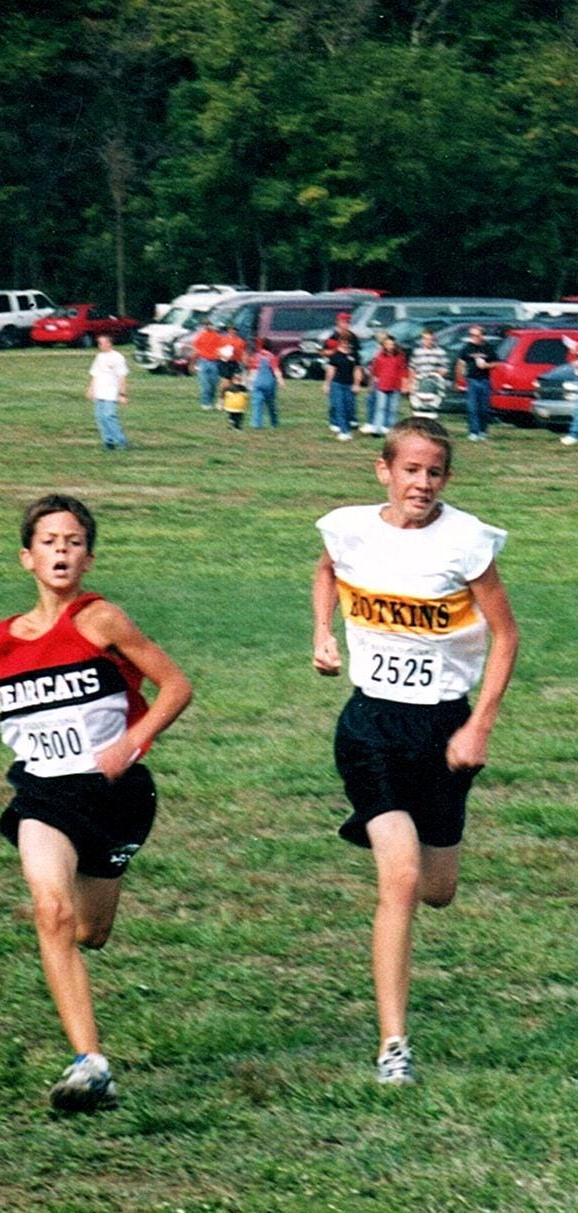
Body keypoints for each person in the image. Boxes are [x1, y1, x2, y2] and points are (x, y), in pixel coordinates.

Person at [0, 494, 192, 1111]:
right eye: (49, 541)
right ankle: (90, 1064)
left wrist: (135, 739)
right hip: (42, 792)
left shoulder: (100, 620)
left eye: (73, 542)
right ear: (27, 557)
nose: (61, 551)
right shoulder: (5, 636)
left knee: (90, 931)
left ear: (89, 557)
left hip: (114, 793)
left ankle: (83, 999)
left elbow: (176, 684)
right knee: (51, 914)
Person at [312, 417, 518, 1085]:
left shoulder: (465, 542)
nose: (420, 482)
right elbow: (325, 571)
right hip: (369, 723)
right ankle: (392, 1044)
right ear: (384, 471)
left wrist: (478, 725)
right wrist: (322, 633)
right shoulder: (348, 528)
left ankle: (392, 820)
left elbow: (506, 637)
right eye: (409, 469)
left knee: (437, 889)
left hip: (442, 730)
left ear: (446, 479)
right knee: (398, 878)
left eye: (433, 472)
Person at [455, 325, 499, 441]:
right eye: (472, 335)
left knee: (483, 408)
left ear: (482, 336)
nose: (474, 338)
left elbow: (497, 363)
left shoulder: (488, 348)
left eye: (477, 335)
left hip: (484, 381)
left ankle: (482, 431)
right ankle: (473, 432)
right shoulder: (467, 348)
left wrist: (487, 365)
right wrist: (459, 379)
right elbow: (460, 363)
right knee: (472, 408)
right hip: (472, 380)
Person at [86, 334, 129, 450]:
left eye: (103, 343)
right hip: (99, 391)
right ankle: (108, 441)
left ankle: (121, 441)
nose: (100, 345)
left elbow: (122, 376)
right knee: (100, 417)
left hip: (111, 392)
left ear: (109, 343)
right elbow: (94, 374)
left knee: (109, 415)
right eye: (99, 343)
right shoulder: (99, 357)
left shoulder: (118, 357)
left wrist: (122, 394)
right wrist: (90, 389)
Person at [324, 336, 363, 440]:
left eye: (348, 342)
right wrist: (327, 384)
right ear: (340, 343)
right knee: (339, 406)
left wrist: (357, 384)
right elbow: (331, 370)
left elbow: (357, 370)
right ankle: (344, 431)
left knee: (349, 407)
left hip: (349, 385)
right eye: (343, 342)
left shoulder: (354, 355)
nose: (346, 344)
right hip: (337, 384)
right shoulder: (335, 355)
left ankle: (348, 425)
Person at [368, 334, 408, 435]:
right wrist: (372, 385)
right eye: (388, 344)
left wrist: (404, 384)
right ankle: (377, 429)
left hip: (395, 385)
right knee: (380, 407)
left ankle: (390, 428)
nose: (390, 346)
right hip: (382, 385)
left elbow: (403, 371)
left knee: (392, 409)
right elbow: (375, 372)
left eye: (392, 344)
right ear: (384, 345)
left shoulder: (400, 356)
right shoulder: (380, 356)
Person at [247, 338, 284, 429]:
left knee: (257, 403)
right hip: (269, 383)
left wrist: (249, 383)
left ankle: (257, 423)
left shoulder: (256, 356)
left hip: (257, 383)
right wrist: (280, 380)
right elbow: (276, 370)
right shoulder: (272, 357)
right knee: (271, 404)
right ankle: (274, 423)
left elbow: (252, 371)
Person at [189, 318, 222, 410]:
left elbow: (221, 350)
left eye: (208, 324)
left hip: (214, 362)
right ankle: (205, 403)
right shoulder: (199, 337)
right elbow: (195, 351)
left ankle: (210, 401)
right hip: (203, 362)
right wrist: (192, 364)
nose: (207, 326)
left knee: (213, 384)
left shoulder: (217, 337)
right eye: (205, 325)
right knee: (205, 384)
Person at [216, 324, 247, 391]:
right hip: (225, 363)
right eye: (231, 330)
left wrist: (244, 362)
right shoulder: (223, 339)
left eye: (234, 330)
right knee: (225, 381)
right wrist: (223, 356)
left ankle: (232, 395)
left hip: (235, 362)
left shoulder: (240, 341)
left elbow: (243, 353)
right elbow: (217, 351)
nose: (233, 331)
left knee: (235, 380)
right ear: (228, 331)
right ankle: (222, 398)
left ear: (237, 331)